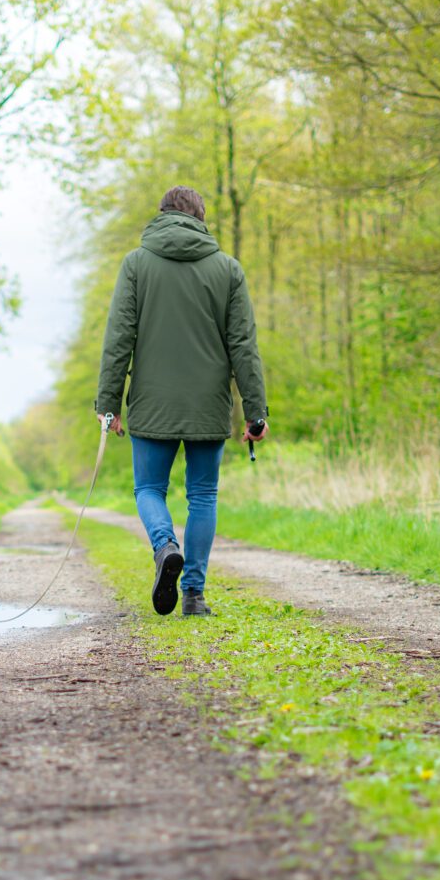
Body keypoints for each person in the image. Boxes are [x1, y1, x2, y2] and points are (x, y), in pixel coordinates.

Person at [94, 186, 268, 617]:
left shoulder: (136, 264)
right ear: (201, 219)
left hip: (152, 402)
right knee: (203, 496)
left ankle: (164, 544)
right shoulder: (228, 270)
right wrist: (256, 412)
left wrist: (108, 402)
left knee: (150, 488)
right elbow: (243, 345)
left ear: (161, 214)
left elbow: (119, 338)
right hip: (209, 404)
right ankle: (194, 594)